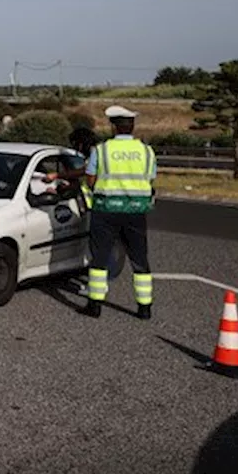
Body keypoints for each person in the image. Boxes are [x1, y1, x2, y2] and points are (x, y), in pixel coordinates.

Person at [81, 105, 156, 319]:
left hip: (106, 210)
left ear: (113, 126)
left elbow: (91, 178)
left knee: (100, 257)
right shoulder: (146, 151)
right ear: (132, 127)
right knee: (139, 258)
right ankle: (144, 307)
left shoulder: (101, 150)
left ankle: (94, 304)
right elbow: (149, 179)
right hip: (135, 211)